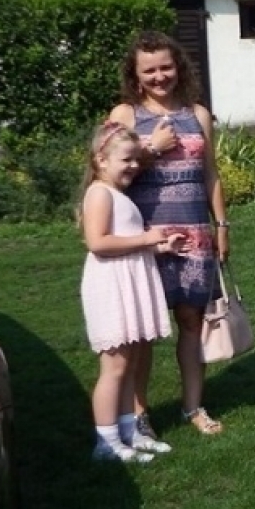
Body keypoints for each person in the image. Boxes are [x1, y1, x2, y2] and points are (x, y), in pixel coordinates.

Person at [108, 31, 229, 438]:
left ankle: (193, 406)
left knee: (192, 322)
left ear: (178, 66)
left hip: (195, 233)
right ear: (136, 75)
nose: (160, 76)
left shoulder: (199, 114)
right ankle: (139, 414)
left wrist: (222, 225)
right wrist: (152, 147)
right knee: (144, 330)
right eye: (150, 70)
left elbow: (210, 174)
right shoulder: (124, 116)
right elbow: (106, 172)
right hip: (146, 237)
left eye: (166, 66)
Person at [79, 122, 190, 463]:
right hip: (111, 284)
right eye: (125, 160)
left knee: (132, 361)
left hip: (129, 278)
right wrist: (147, 237)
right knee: (114, 367)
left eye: (135, 160)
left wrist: (161, 247)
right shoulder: (99, 193)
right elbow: (98, 243)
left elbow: (125, 242)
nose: (132, 166)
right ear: (101, 160)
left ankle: (129, 431)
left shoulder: (117, 195)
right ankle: (106, 441)